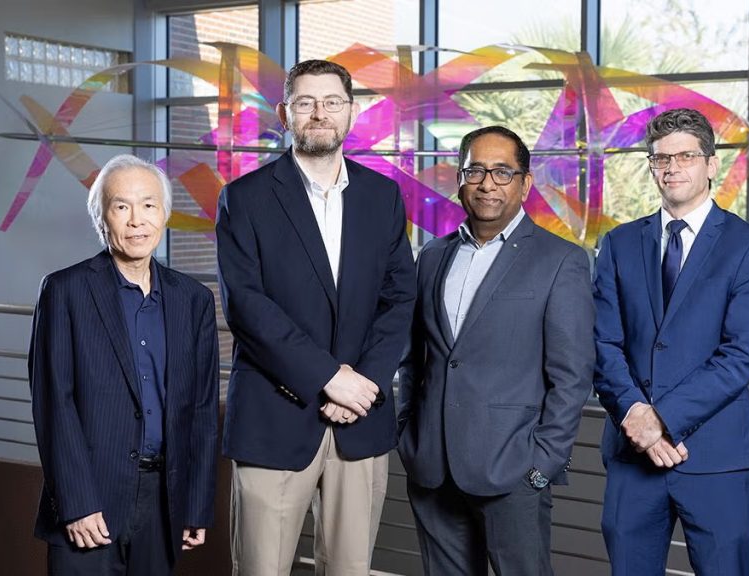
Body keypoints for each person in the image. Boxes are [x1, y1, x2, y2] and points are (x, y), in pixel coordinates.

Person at [215, 59, 416, 575]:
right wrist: (330, 379)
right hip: (274, 418)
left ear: (351, 113)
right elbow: (247, 306)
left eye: (332, 102)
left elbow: (399, 299)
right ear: (285, 113)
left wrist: (363, 383)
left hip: (361, 422)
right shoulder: (244, 199)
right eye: (305, 102)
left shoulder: (383, 197)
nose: (319, 113)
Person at [397, 125, 595, 575]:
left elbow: (572, 374)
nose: (488, 183)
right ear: (460, 180)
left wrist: (542, 464)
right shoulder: (431, 256)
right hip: (432, 466)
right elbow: (414, 360)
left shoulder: (560, 260)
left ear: (525, 183)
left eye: (503, 172)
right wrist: (409, 433)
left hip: (514, 471)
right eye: (476, 170)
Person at [593, 108, 749, 575]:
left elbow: (740, 356)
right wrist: (636, 413)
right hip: (632, 454)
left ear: (711, 165)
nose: (672, 167)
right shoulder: (618, 244)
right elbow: (602, 342)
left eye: (685, 156)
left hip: (714, 458)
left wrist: (661, 419)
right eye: (660, 159)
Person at [29, 154, 219, 575]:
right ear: (102, 218)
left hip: (164, 499)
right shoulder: (66, 292)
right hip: (91, 499)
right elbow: (53, 405)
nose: (137, 220)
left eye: (149, 205)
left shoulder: (194, 301)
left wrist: (197, 503)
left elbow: (202, 411)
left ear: (165, 214)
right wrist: (77, 503)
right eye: (122, 206)